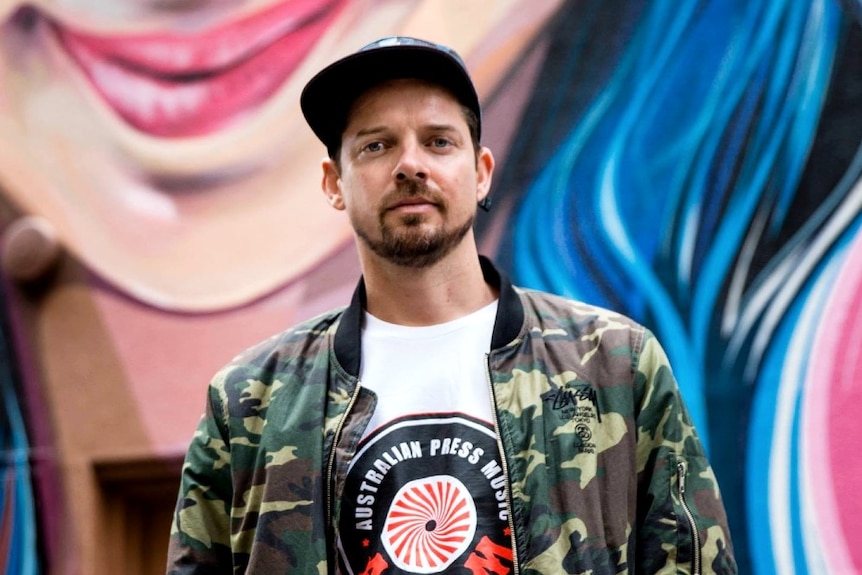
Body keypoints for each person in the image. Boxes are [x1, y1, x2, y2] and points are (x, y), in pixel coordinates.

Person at [166, 36, 737, 574]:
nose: (410, 165)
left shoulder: (612, 363)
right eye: (376, 145)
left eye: (438, 141)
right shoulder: (250, 401)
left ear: (482, 172)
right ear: (334, 182)